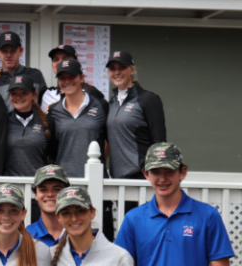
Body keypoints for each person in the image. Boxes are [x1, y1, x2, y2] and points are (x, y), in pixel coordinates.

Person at [106, 51, 167, 179]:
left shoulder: (149, 99)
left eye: (122, 67)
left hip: (142, 178)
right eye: (112, 68)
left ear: (132, 70)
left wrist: (156, 175)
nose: (117, 72)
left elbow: (159, 143)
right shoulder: (111, 104)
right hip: (117, 179)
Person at [47, 58, 107, 179]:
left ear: (81, 77)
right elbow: (51, 149)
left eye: (72, 76)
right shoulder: (54, 111)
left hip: (94, 179)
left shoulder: (101, 105)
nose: (67, 81)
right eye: (62, 78)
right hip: (63, 181)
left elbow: (109, 140)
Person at [4, 74, 55, 177]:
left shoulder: (47, 121)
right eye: (14, 93)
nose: (18, 97)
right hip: (9, 186)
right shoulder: (4, 121)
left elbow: (54, 156)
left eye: (24, 93)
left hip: (38, 186)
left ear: (33, 95)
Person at [40, 44, 106, 112]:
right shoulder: (47, 94)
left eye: (65, 59)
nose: (60, 62)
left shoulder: (91, 92)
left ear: (77, 63)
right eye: (56, 59)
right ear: (52, 65)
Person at [0, 31, 46, 103]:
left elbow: (45, 104)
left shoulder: (35, 75)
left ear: (21, 51)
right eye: (4, 51)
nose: (9, 55)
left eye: (13, 50)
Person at [25, 165, 70, 247]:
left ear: (66, 193)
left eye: (56, 189)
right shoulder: (26, 236)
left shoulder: (78, 232)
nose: (50, 194)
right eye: (43, 190)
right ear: (36, 195)